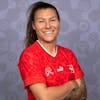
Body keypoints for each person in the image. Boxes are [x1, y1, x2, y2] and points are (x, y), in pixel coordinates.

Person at [18, 1, 87, 100]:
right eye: (41, 21)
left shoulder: (68, 54)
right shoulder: (30, 55)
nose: (48, 26)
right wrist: (71, 84)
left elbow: (83, 94)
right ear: (33, 25)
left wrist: (55, 94)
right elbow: (44, 97)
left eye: (52, 20)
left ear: (59, 22)